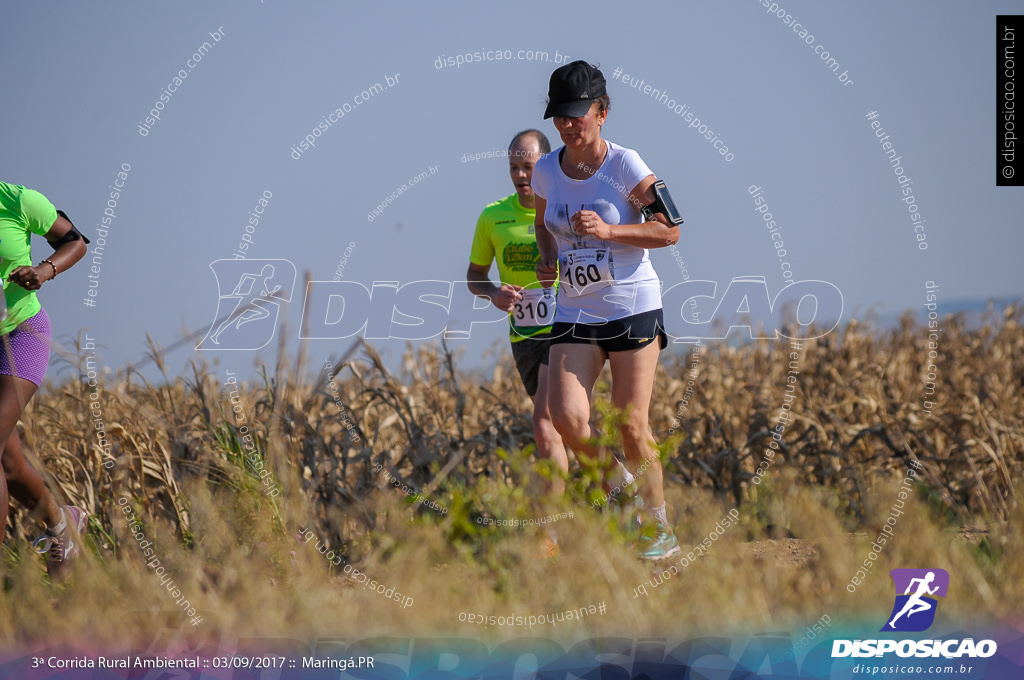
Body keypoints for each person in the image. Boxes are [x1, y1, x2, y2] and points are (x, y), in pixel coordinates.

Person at [532, 61, 681, 560]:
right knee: (567, 419)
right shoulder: (546, 170)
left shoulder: (626, 166)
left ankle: (658, 528)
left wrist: (611, 232)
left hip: (632, 306)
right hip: (575, 309)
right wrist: (548, 256)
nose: (569, 126)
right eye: (560, 117)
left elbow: (669, 230)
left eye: (578, 115)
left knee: (630, 426)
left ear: (603, 112)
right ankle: (622, 497)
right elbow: (542, 223)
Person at [466, 131, 568, 555]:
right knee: (566, 429)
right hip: (523, 334)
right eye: (514, 167)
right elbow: (474, 276)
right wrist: (494, 294)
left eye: (528, 166)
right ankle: (617, 497)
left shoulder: (563, 208)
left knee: (544, 426)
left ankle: (550, 534)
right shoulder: (493, 216)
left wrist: (559, 270)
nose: (521, 175)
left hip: (567, 327)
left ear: (545, 165)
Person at [0, 182, 89, 580]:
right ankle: (62, 526)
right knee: (10, 463)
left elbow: (76, 240)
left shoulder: (16, 200)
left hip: (21, 334)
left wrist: (43, 271)